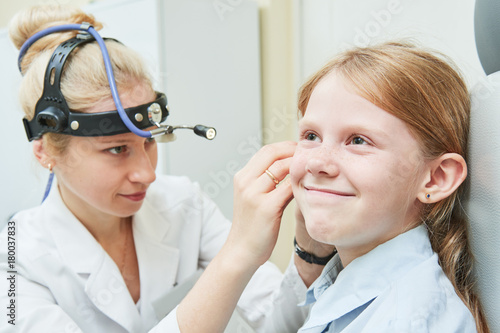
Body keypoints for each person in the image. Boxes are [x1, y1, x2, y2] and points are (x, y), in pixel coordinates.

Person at [0, 5, 336, 333]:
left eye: (149, 142)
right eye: (117, 149)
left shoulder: (184, 204)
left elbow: (279, 324)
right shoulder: (13, 258)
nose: (146, 174)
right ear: (45, 151)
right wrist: (238, 255)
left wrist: (311, 255)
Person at [289, 41, 490, 332]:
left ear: (435, 178)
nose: (317, 162)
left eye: (358, 141)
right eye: (310, 135)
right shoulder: (342, 286)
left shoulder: (408, 321)